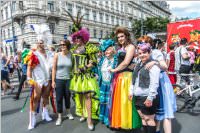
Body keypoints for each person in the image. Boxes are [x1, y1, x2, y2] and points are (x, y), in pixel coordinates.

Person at [138, 36, 176, 133]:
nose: (143, 44)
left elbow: (164, 66)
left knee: (166, 113)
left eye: (145, 42)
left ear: (150, 43)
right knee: (155, 115)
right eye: (140, 42)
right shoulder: (141, 54)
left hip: (161, 83)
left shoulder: (156, 52)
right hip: (150, 85)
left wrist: (154, 62)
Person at [69, 20, 99, 130]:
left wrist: (85, 67)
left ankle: (89, 119)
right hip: (76, 78)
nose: (77, 40)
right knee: (79, 97)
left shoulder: (88, 48)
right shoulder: (72, 50)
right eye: (75, 38)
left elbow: (94, 62)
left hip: (86, 76)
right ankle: (82, 114)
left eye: (79, 38)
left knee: (88, 97)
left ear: (83, 38)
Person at [109, 26, 141, 130]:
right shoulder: (120, 48)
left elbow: (126, 62)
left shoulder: (131, 47)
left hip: (127, 77)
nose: (120, 39)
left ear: (127, 36)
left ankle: (129, 123)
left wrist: (114, 70)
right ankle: (122, 122)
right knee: (119, 101)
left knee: (126, 101)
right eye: (118, 37)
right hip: (120, 76)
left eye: (122, 36)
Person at [129, 42, 160, 133]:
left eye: (144, 52)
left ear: (149, 53)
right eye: (140, 53)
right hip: (138, 96)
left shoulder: (153, 66)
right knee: (143, 118)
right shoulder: (138, 65)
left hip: (147, 96)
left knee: (149, 119)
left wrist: (150, 98)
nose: (142, 55)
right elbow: (134, 80)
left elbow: (154, 84)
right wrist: (131, 92)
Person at [24, 40, 52, 130]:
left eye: (42, 42)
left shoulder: (49, 53)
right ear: (36, 44)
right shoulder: (33, 54)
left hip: (47, 79)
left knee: (46, 97)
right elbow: (29, 67)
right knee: (35, 98)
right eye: (39, 42)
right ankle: (32, 119)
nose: (40, 44)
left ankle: (45, 113)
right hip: (38, 80)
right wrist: (29, 78)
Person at [52, 40, 74, 126]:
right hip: (59, 79)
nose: (62, 46)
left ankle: (68, 112)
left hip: (68, 79)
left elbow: (73, 67)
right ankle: (60, 116)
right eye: (61, 44)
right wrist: (53, 81)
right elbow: (54, 68)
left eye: (64, 44)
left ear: (67, 45)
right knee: (59, 98)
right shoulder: (57, 55)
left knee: (67, 96)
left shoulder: (71, 55)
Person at [98, 39, 117, 126]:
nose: (106, 52)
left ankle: (110, 121)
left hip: (112, 85)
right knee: (103, 102)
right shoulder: (103, 60)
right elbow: (98, 70)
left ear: (113, 49)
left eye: (108, 49)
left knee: (111, 103)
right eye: (105, 50)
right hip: (103, 85)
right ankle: (103, 118)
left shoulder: (116, 60)